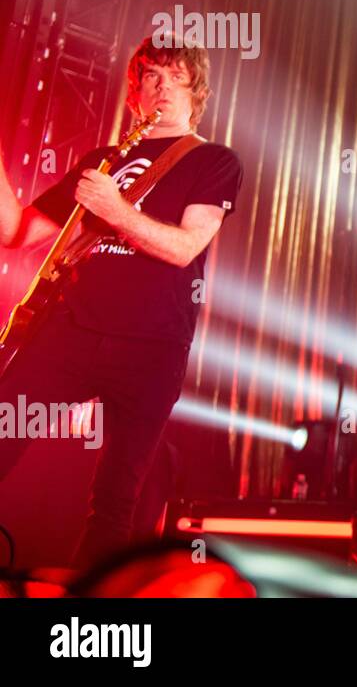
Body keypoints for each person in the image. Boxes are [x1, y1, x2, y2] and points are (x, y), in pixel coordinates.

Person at [0, 32, 242, 568]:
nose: (160, 87)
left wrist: (114, 209)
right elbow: (16, 231)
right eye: (149, 76)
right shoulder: (104, 159)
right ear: (133, 93)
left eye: (174, 76)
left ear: (194, 89)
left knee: (115, 501)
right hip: (70, 330)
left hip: (151, 348)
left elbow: (182, 249)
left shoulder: (215, 161)